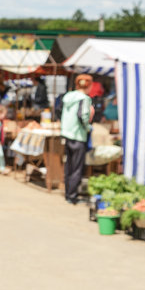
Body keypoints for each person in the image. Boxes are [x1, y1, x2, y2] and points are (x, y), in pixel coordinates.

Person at [60, 74, 94, 204]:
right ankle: (72, 196)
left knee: (68, 165)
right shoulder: (84, 99)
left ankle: (68, 193)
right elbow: (82, 115)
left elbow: (59, 111)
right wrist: (88, 127)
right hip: (78, 135)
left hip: (67, 134)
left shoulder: (68, 97)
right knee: (77, 167)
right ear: (89, 85)